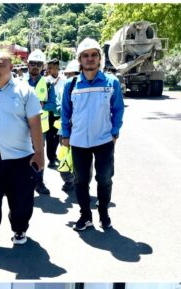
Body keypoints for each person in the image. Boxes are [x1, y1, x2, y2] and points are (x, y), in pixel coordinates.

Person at [0, 49, 45, 259]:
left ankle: (19, 229)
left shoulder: (25, 92)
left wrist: (39, 153)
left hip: (20, 158)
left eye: (0, 65)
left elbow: (35, 124)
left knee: (21, 200)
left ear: (11, 68)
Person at [61, 38, 126, 231]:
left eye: (94, 55)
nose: (90, 59)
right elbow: (65, 111)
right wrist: (65, 134)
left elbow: (118, 109)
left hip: (104, 140)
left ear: (100, 58)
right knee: (80, 180)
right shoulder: (71, 85)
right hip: (79, 141)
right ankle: (85, 215)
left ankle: (104, 212)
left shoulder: (111, 82)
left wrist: (114, 132)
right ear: (79, 59)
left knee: (105, 179)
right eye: (85, 55)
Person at [26, 49, 56, 196]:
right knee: (22, 155)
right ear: (28, 65)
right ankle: (24, 183)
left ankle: (39, 182)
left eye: (38, 63)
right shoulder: (20, 83)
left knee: (39, 155)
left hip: (40, 128)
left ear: (43, 66)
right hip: (22, 128)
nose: (35, 66)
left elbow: (53, 105)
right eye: (32, 63)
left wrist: (43, 104)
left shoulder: (48, 84)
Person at [56, 60, 80, 192]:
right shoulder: (66, 86)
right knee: (64, 157)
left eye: (74, 74)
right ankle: (69, 181)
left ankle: (80, 182)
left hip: (81, 130)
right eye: (69, 74)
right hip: (66, 129)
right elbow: (61, 108)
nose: (71, 77)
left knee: (82, 160)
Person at [45, 58, 62, 168]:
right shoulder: (46, 80)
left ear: (57, 68)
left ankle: (55, 156)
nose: (50, 70)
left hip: (60, 113)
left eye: (52, 68)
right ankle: (51, 158)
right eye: (49, 68)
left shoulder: (64, 79)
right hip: (50, 113)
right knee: (50, 137)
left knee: (57, 136)